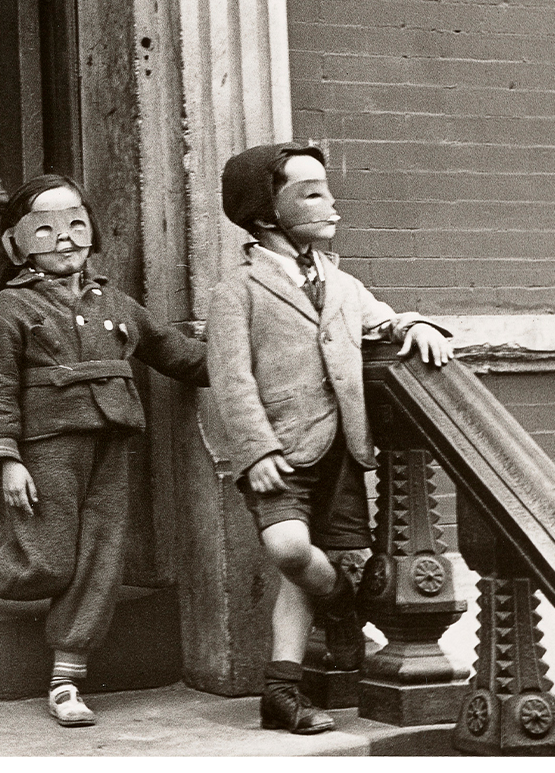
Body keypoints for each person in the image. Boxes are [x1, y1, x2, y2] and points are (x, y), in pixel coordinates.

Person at [0, 174, 209, 727]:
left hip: (113, 441)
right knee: (49, 560)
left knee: (100, 559)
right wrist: (8, 458)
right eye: (46, 229)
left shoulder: (117, 304)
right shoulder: (10, 308)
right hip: (49, 446)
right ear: (17, 244)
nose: (65, 238)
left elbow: (176, 355)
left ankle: (67, 679)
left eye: (76, 223)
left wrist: (246, 361)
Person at [205, 141, 454, 734]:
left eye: (327, 188)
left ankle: (281, 693)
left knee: (310, 566)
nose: (331, 202)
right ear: (268, 215)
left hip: (341, 448)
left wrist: (413, 323)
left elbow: (379, 318)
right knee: (291, 550)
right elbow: (230, 377)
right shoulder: (236, 289)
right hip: (279, 453)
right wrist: (256, 450)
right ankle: (342, 605)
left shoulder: (342, 282)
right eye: (311, 192)